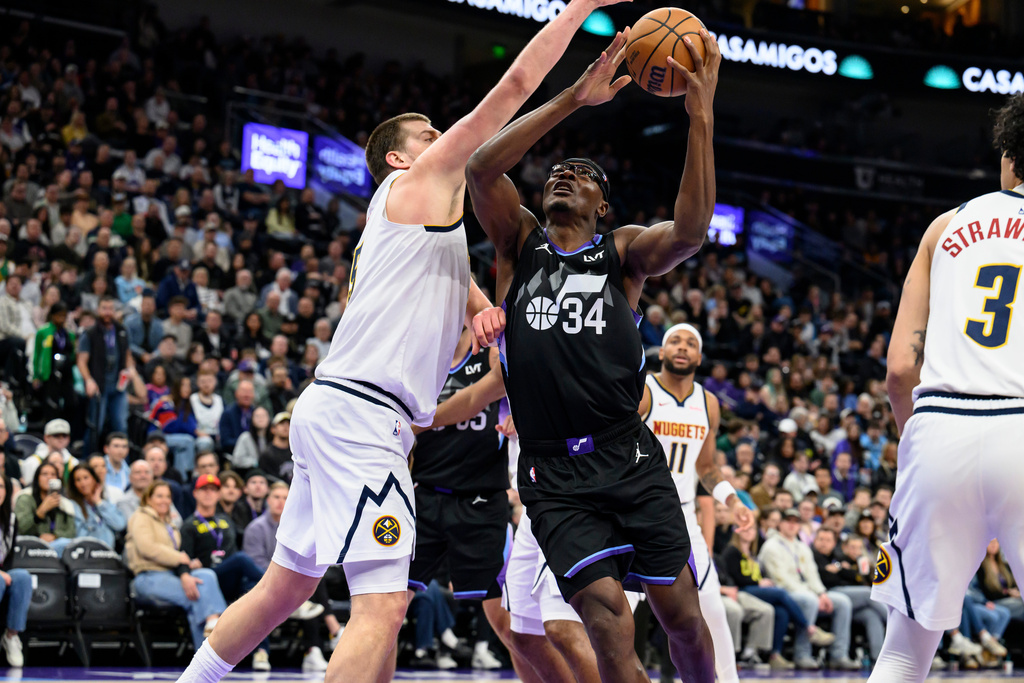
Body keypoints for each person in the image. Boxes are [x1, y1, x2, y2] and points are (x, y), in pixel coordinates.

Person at [178, 4, 627, 682]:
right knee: (384, 607)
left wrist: (478, 308)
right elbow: (508, 93)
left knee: (286, 588)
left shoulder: (419, 232)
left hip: (340, 410)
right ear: (399, 156)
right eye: (429, 133)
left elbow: (447, 301)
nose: (442, 135)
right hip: (363, 420)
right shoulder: (416, 182)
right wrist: (575, 18)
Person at [466, 25, 720, 682]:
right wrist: (573, 99)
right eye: (556, 172)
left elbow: (691, 232)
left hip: (628, 456)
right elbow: (480, 167)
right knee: (606, 619)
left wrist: (701, 116)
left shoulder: (623, 253)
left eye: (581, 175)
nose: (563, 175)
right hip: (554, 476)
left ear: (602, 205)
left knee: (683, 618)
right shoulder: (519, 245)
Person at [871, 99, 1024, 683]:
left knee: (906, 653)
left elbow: (899, 370)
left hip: (940, 429)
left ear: (1008, 156)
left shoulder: (946, 225)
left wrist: (920, 443)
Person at [637, 324, 755, 683]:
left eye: (691, 343)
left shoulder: (709, 403)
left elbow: (706, 468)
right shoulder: (644, 391)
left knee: (713, 609)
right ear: (661, 352)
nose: (682, 347)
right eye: (675, 340)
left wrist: (732, 500)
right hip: (637, 511)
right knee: (620, 609)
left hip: (683, 514)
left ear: (700, 357)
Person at [406, 329, 515, 671]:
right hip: (422, 497)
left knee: (510, 626)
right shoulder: (414, 363)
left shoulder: (493, 356)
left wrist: (517, 416)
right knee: (386, 612)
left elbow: (514, 390)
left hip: (480, 502)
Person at [125, 481, 226, 649]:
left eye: (167, 496)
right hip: (148, 577)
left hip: (169, 575)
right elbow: (147, 548)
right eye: (159, 496)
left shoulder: (169, 523)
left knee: (207, 575)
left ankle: (212, 623)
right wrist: (180, 558)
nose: (164, 500)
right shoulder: (141, 516)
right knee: (197, 598)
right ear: (148, 499)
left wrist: (189, 563)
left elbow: (178, 554)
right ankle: (211, 648)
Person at [758, 508, 859, 670]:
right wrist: (813, 595)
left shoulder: (802, 547)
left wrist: (822, 594)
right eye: (788, 521)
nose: (792, 525)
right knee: (810, 601)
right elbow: (781, 580)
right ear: (780, 524)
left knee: (842, 602)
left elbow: (812, 574)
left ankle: (839, 655)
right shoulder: (771, 546)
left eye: (795, 522)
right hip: (785, 594)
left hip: (807, 592)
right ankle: (802, 654)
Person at [812, 528, 887, 665]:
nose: (824, 543)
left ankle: (880, 660)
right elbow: (827, 578)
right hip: (828, 594)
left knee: (870, 614)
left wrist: (839, 571)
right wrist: (839, 570)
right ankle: (896, 622)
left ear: (834, 543)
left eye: (828, 540)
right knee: (868, 593)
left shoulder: (835, 557)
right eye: (821, 539)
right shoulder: (814, 555)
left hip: (843, 594)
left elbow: (852, 577)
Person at [78, 296, 136, 454]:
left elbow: (128, 355)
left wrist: (130, 370)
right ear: (98, 310)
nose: (107, 312)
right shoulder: (90, 333)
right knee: (96, 425)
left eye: (111, 308)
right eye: (104, 308)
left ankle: (123, 462)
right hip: (99, 384)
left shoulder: (122, 330)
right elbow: (81, 360)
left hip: (118, 385)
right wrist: (88, 380)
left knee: (121, 425)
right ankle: (88, 458)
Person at [0, 475, 31, 666]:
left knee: (22, 577)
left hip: (2, 572)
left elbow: (9, 559)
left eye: (1, 486)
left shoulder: (10, 520)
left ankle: (11, 636)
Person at [14, 462, 75, 553]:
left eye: (53, 474)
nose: (49, 477)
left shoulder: (65, 504)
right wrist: (40, 512)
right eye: (44, 474)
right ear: (37, 478)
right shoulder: (25, 498)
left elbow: (72, 532)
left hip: (58, 550)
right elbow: (20, 528)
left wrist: (55, 536)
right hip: (29, 549)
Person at [32, 301, 76, 424]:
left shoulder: (69, 334)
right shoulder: (43, 332)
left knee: (71, 403)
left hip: (66, 374)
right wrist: (36, 375)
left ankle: (67, 430)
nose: (61, 319)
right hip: (49, 373)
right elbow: (37, 354)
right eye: (59, 315)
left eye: (64, 316)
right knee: (51, 405)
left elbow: (72, 354)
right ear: (52, 315)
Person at [66, 463, 126, 547]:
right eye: (78, 480)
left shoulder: (104, 503)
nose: (83, 483)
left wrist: (99, 502)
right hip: (85, 554)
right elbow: (79, 536)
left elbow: (119, 524)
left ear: (94, 479)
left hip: (108, 554)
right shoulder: (72, 506)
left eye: (86, 478)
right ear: (74, 485)